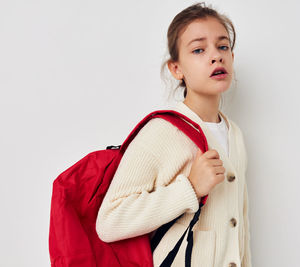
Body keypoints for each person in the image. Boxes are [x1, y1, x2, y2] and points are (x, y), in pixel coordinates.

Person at [96, 2, 251, 266]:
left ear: (232, 58)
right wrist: (189, 188)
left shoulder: (233, 133)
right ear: (176, 69)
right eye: (199, 49)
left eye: (223, 46)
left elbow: (240, 228)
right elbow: (109, 221)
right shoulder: (162, 131)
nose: (216, 56)